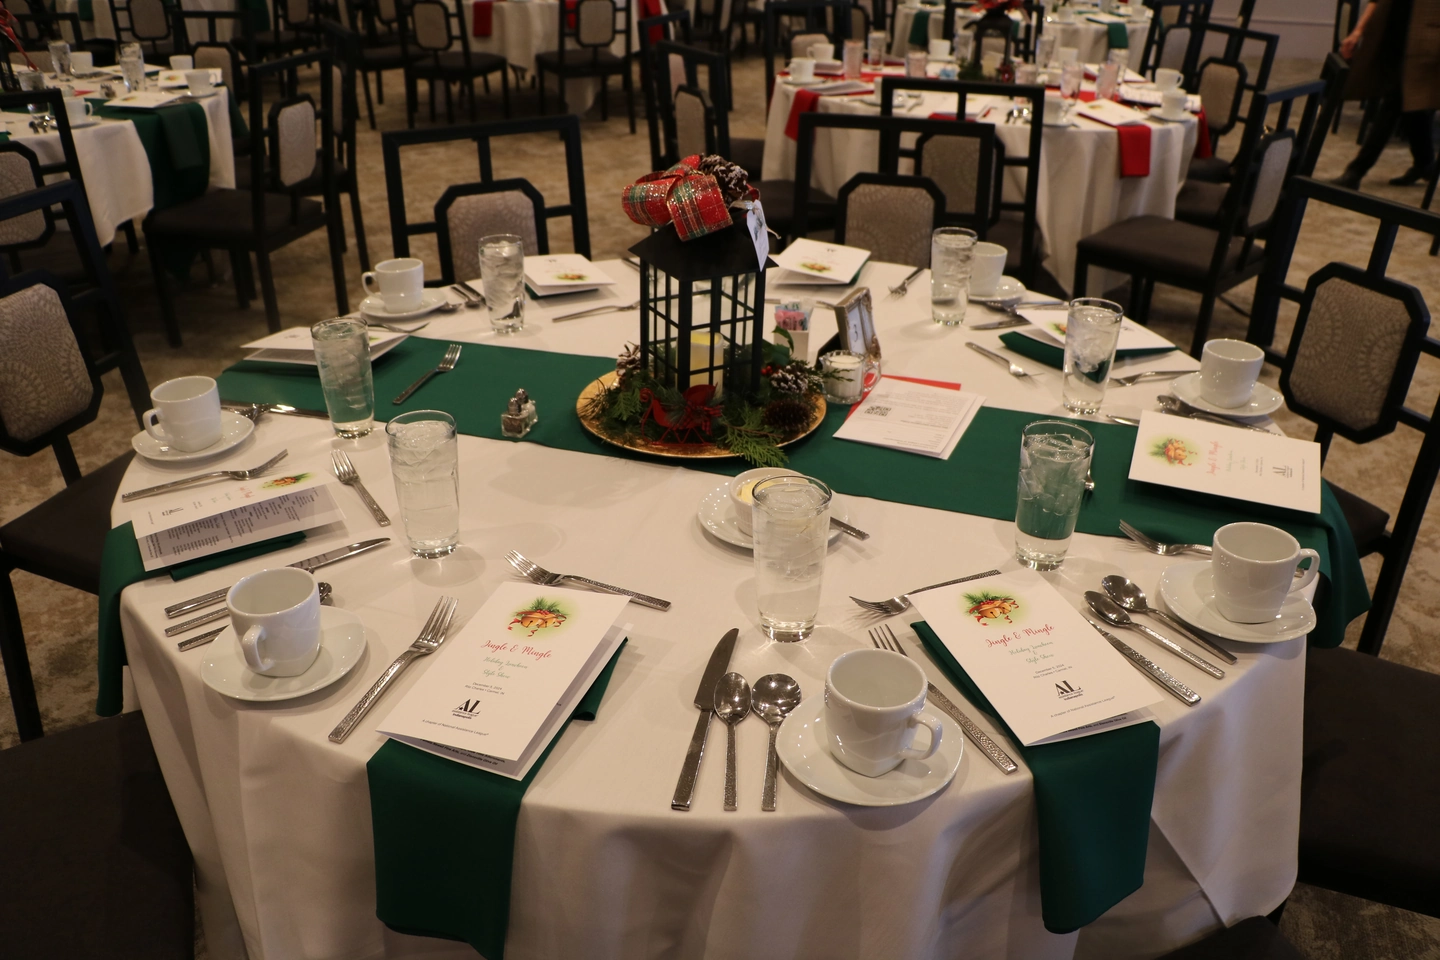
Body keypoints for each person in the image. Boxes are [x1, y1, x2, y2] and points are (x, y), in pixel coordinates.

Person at [1332, 0, 1440, 189]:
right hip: (1392, 34)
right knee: (1410, 104)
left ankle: (1356, 170)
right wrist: (1358, 31)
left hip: (1424, 44)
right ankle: (1425, 164)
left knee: (1394, 102)